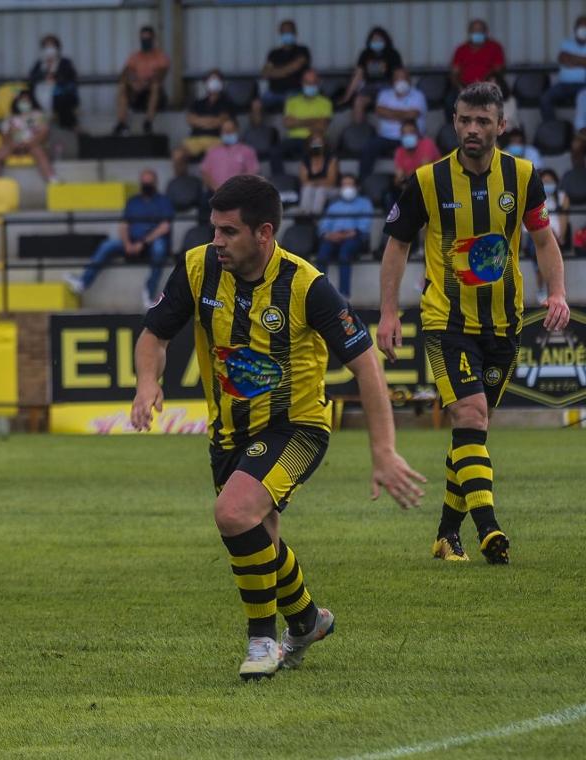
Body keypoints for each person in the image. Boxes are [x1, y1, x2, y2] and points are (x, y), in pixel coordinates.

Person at [132, 173, 424, 681]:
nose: (216, 242)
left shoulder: (307, 285)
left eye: (228, 232)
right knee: (257, 535)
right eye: (214, 230)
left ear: (263, 233)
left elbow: (366, 364)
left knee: (233, 511)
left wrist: (384, 450)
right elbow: (154, 334)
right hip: (228, 434)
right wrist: (144, 384)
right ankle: (307, 621)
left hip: (298, 429)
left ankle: (263, 641)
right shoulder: (198, 268)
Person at [377, 82, 570, 566]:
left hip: (505, 323)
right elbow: (397, 246)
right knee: (470, 415)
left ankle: (446, 535)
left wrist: (558, 292)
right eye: (464, 120)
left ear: (501, 126)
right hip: (447, 320)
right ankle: (488, 527)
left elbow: (544, 240)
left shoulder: (524, 176)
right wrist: (387, 313)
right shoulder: (427, 180)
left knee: (473, 430)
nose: (472, 129)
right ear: (454, 123)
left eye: (482, 121)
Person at [64, 169, 173, 309]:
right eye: (144, 182)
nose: (146, 185)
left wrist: (144, 242)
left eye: (149, 182)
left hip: (151, 243)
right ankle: (83, 282)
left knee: (160, 248)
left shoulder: (163, 201)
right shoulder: (133, 201)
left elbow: (165, 227)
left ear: (156, 182)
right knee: (107, 245)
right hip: (131, 242)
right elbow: (123, 224)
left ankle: (149, 293)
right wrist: (127, 242)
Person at [359, 68, 427, 179]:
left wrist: (390, 113)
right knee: (369, 147)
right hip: (386, 138)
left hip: (410, 137)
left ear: (409, 80)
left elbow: (413, 114)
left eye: (403, 78)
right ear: (392, 81)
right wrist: (404, 114)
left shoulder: (418, 95)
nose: (400, 81)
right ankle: (363, 182)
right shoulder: (384, 94)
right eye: (397, 78)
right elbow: (379, 111)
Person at [316, 174, 372, 298]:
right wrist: (328, 235)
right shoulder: (333, 205)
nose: (347, 187)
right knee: (321, 255)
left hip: (355, 238)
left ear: (356, 187)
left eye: (350, 184)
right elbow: (324, 226)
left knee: (344, 253)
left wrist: (346, 234)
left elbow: (364, 226)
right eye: (344, 184)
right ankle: (318, 294)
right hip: (333, 238)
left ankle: (343, 295)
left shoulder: (364, 203)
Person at [171, 70, 236, 178]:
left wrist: (200, 121)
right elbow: (191, 120)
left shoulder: (227, 102)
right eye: (211, 79)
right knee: (177, 155)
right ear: (206, 82)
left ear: (221, 83)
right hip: (196, 140)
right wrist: (211, 121)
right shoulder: (198, 103)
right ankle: (182, 184)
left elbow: (221, 121)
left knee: (214, 156)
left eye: (217, 79)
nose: (214, 82)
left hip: (217, 140)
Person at [270, 68, 332, 176]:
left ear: (318, 83)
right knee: (274, 151)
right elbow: (288, 124)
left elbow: (322, 126)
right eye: (308, 83)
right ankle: (281, 181)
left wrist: (298, 121)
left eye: (314, 83)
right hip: (294, 139)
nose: (311, 86)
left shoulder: (325, 102)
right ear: (302, 83)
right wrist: (314, 120)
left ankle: (311, 181)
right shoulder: (292, 101)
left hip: (315, 138)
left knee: (316, 149)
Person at [0, 90, 56, 184]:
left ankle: (52, 180)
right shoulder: (10, 117)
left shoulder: (38, 115)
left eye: (27, 101)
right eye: (22, 102)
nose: (25, 104)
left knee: (39, 152)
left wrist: (30, 143)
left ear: (32, 102)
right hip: (14, 146)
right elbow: (4, 136)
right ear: (17, 103)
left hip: (33, 145)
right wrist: (12, 144)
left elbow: (44, 132)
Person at [113, 25, 170, 136]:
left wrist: (145, 84)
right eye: (143, 39)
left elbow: (161, 75)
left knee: (155, 85)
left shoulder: (161, 56)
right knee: (122, 86)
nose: (145, 41)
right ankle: (121, 123)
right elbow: (125, 73)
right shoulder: (135, 56)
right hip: (137, 94)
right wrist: (133, 82)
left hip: (155, 95)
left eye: (147, 39)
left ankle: (148, 122)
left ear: (153, 38)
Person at [253, 20, 312, 124]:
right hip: (273, 92)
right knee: (256, 104)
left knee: (290, 103)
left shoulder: (303, 50)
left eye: (289, 31)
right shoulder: (273, 53)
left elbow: (294, 67)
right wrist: (284, 71)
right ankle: (257, 134)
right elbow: (265, 73)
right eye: (284, 32)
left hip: (294, 91)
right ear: (280, 34)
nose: (287, 34)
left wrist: (275, 72)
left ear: (295, 33)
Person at [524, 169, 570, 302]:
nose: (548, 184)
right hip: (535, 236)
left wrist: (560, 236)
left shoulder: (561, 196)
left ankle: (555, 290)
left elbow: (564, 217)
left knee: (552, 245)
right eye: (545, 181)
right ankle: (542, 288)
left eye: (551, 181)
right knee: (538, 246)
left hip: (556, 236)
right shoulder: (533, 197)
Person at [340, 27, 403, 124]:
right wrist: (347, 96)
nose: (376, 42)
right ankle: (360, 131)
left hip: (387, 87)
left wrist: (398, 93)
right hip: (369, 87)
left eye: (379, 40)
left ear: (386, 40)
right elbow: (358, 75)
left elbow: (398, 74)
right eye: (374, 40)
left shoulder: (393, 54)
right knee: (358, 102)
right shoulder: (365, 54)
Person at [28, 35, 79, 130]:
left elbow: (70, 77)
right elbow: (32, 78)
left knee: (64, 102)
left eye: (52, 46)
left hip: (59, 92)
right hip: (41, 92)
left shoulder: (65, 62)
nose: (49, 49)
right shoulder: (39, 63)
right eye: (46, 47)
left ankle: (67, 128)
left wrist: (55, 77)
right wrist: (45, 73)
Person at [541, 16, 586, 123]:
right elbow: (562, 58)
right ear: (575, 29)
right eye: (581, 27)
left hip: (583, 86)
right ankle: (552, 129)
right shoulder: (567, 42)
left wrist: (572, 59)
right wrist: (582, 61)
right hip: (564, 85)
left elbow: (568, 59)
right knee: (545, 98)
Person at [201, 119, 259, 197]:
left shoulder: (247, 151)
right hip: (215, 193)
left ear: (237, 130)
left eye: (230, 131)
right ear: (221, 132)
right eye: (225, 131)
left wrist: (238, 189)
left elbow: (252, 173)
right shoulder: (212, 151)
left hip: (240, 193)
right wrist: (217, 189)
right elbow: (205, 173)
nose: (227, 133)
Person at [298, 130, 338, 216]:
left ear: (324, 144)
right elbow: (304, 181)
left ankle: (316, 217)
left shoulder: (331, 159)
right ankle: (304, 216)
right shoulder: (305, 160)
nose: (316, 144)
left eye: (319, 141)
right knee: (307, 189)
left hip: (331, 190)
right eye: (313, 141)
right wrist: (318, 182)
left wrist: (313, 183)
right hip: (312, 189)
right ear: (309, 144)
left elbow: (331, 181)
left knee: (320, 190)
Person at [392, 120, 441, 190]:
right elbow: (398, 178)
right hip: (414, 188)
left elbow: (423, 170)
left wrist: (406, 178)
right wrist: (401, 180)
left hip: (434, 185)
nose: (408, 136)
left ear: (417, 134)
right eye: (405, 133)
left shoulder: (427, 143)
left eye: (411, 132)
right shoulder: (400, 151)